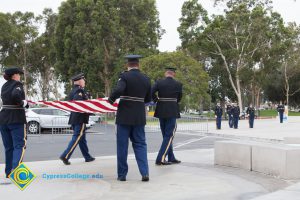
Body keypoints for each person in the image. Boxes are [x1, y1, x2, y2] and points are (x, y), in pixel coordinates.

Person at [108, 55, 151, 182]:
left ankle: (122, 175)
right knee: (140, 145)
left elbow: (119, 89)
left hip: (124, 117)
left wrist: (111, 100)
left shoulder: (124, 76)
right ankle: (145, 173)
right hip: (139, 117)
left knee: (122, 146)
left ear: (128, 65)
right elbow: (148, 100)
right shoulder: (146, 79)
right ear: (138, 65)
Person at [60, 73, 95, 165]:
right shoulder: (79, 91)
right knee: (76, 138)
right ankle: (65, 155)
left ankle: (87, 157)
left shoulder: (73, 90)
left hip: (74, 118)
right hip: (80, 118)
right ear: (80, 81)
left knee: (82, 139)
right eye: (83, 80)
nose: (85, 82)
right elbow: (79, 104)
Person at [0, 67, 29, 178]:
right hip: (15, 118)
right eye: (19, 74)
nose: (19, 76)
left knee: (9, 147)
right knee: (19, 146)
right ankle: (16, 172)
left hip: (3, 118)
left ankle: (8, 172)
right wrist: (24, 103)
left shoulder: (4, 86)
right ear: (15, 75)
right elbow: (16, 96)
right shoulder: (17, 84)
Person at [152, 67, 182, 166]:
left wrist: (156, 100)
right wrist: (173, 103)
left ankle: (171, 157)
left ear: (166, 73)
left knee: (166, 136)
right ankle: (160, 158)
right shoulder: (178, 84)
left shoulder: (159, 82)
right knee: (169, 136)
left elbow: (151, 92)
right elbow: (179, 98)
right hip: (172, 111)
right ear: (174, 74)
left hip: (161, 110)